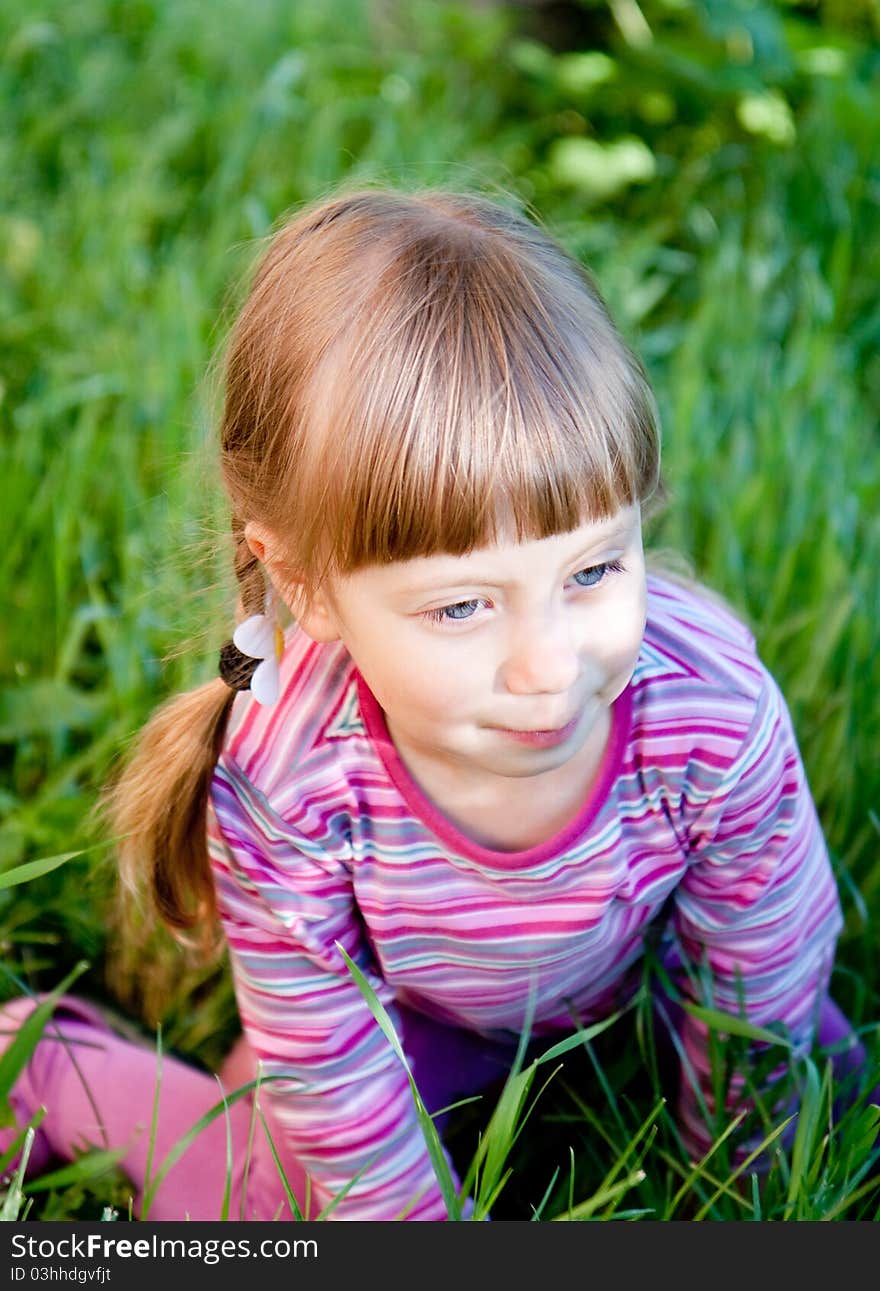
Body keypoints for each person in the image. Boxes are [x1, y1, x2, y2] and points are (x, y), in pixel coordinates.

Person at [0, 187, 871, 1221]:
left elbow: (760, 972)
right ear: (310, 587)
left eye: (593, 570)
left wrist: (744, 1189)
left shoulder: (709, 713)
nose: (546, 665)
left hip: (653, 987)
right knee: (269, 1201)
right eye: (461, 605)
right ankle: (53, 1064)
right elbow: (326, 1057)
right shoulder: (285, 775)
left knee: (831, 1099)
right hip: (405, 1022)